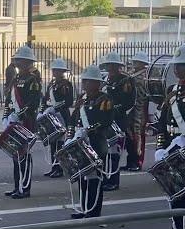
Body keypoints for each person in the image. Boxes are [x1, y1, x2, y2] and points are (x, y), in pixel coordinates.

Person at [64, 65, 113, 219]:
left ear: (97, 83)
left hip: (96, 144)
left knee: (94, 180)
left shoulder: (104, 100)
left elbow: (105, 121)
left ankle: (94, 210)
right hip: (81, 144)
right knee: (82, 178)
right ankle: (85, 208)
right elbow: (73, 119)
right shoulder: (82, 99)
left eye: (88, 81)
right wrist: (70, 136)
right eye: (84, 81)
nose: (84, 84)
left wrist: (88, 130)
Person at [154, 45, 185, 229]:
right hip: (173, 150)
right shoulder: (173, 92)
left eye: (181, 66)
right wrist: (160, 148)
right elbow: (162, 125)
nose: (177, 70)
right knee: (174, 198)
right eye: (177, 66)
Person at [2, 45, 42, 199]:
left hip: (25, 122)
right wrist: (6, 117)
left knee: (24, 154)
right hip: (14, 121)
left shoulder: (33, 80)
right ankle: (17, 186)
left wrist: (19, 115)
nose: (17, 63)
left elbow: (33, 103)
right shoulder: (16, 78)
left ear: (27, 62)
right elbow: (8, 101)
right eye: (16, 60)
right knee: (15, 155)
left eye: (19, 60)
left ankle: (25, 188)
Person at [100, 51, 135, 191]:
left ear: (118, 66)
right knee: (104, 152)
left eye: (113, 66)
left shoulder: (125, 80)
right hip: (106, 121)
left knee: (114, 152)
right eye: (109, 65)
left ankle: (114, 180)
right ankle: (106, 178)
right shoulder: (105, 80)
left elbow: (129, 101)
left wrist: (115, 110)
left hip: (118, 120)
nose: (110, 68)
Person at [38, 58, 74, 178]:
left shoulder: (66, 84)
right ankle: (54, 166)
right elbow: (45, 99)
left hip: (61, 116)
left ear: (61, 71)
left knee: (60, 143)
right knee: (53, 142)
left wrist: (55, 107)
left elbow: (68, 101)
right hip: (51, 115)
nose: (54, 72)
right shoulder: (51, 84)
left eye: (57, 70)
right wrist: (42, 111)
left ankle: (60, 167)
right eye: (53, 70)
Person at [122, 51, 149, 171]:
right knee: (130, 135)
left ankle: (138, 161)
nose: (134, 63)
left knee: (137, 136)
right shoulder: (134, 75)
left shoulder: (143, 77)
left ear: (142, 63)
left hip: (139, 110)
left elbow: (139, 96)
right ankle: (131, 160)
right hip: (131, 110)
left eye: (137, 62)